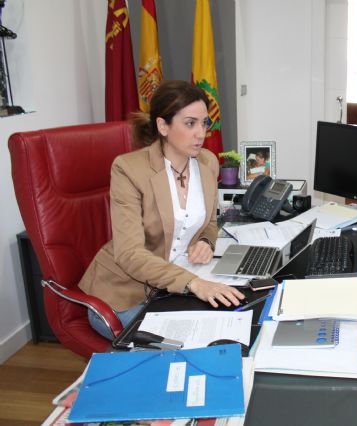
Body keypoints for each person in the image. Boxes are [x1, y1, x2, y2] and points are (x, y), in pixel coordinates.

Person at [79, 80, 244, 339]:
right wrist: (194, 283)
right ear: (163, 126)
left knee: (230, 322)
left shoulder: (208, 162)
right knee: (188, 341)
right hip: (124, 294)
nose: (201, 133)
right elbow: (130, 254)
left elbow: (211, 223)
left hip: (175, 285)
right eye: (190, 123)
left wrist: (205, 241)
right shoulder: (128, 169)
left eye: (205, 123)